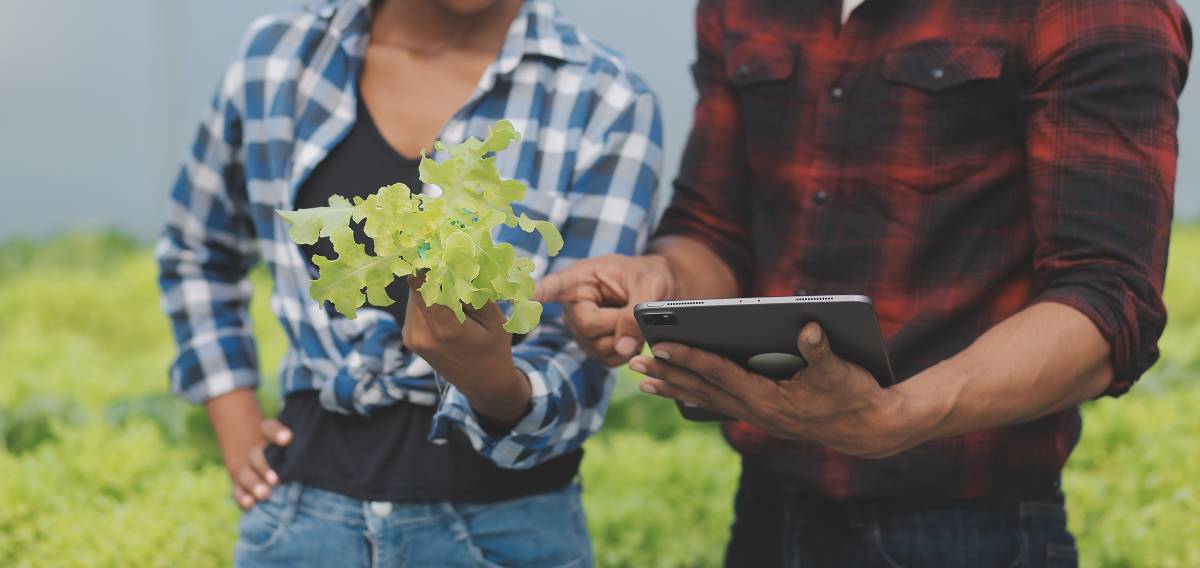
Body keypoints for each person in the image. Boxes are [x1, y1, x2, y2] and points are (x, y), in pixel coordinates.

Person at [537, 0, 1191, 565]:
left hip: (973, 531)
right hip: (767, 516)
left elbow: (1107, 297)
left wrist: (898, 416)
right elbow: (714, 226)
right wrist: (659, 277)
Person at [156, 0, 661, 565]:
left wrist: (493, 383)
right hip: (299, 522)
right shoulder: (279, 58)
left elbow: (581, 350)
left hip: (502, 530)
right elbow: (197, 251)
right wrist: (238, 429)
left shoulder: (606, 98)